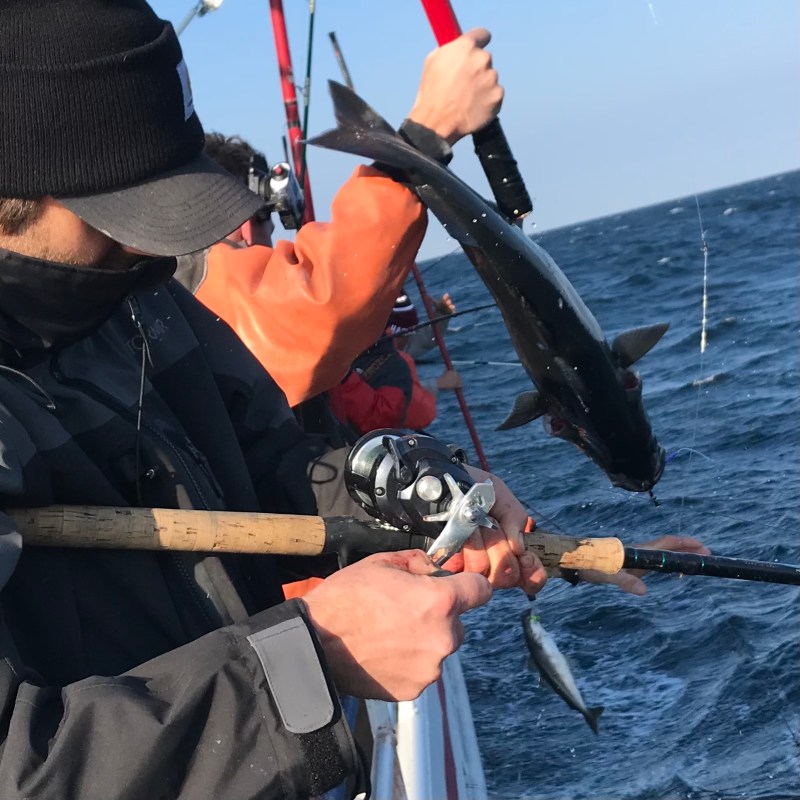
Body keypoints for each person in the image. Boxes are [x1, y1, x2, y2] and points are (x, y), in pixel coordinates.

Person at [0, 2, 546, 797]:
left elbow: (267, 460)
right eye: (120, 214)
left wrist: (403, 490)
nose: (154, 247)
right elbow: (25, 767)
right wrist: (313, 659)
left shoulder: (132, 293)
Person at [328, 295, 463, 435]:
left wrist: (442, 315)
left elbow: (418, 342)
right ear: (391, 331)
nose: (407, 339)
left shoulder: (385, 346)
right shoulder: (395, 361)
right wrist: (437, 384)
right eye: (405, 334)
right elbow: (420, 413)